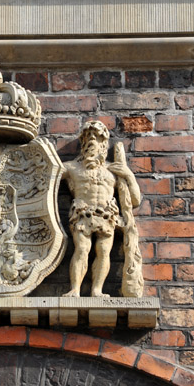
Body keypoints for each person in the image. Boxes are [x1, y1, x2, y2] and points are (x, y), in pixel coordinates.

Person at [62, 121, 141, 297]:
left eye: (95, 136)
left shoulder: (113, 169)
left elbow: (135, 200)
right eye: (87, 137)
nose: (91, 140)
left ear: (103, 142)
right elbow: (48, 175)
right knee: (82, 248)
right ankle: (75, 289)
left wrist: (128, 174)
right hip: (82, 213)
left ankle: (97, 290)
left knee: (104, 251)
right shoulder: (71, 167)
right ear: (82, 143)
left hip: (107, 214)